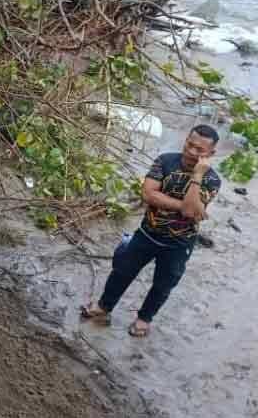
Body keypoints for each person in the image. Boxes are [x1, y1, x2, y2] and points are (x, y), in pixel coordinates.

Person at [80, 125, 221, 338]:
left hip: (180, 243)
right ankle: (104, 307)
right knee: (122, 271)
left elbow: (191, 209)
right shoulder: (165, 161)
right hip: (147, 233)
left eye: (199, 150)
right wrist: (185, 207)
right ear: (185, 140)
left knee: (164, 284)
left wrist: (197, 176)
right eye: (189, 144)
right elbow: (148, 194)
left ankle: (144, 318)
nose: (192, 151)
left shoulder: (211, 180)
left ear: (210, 154)